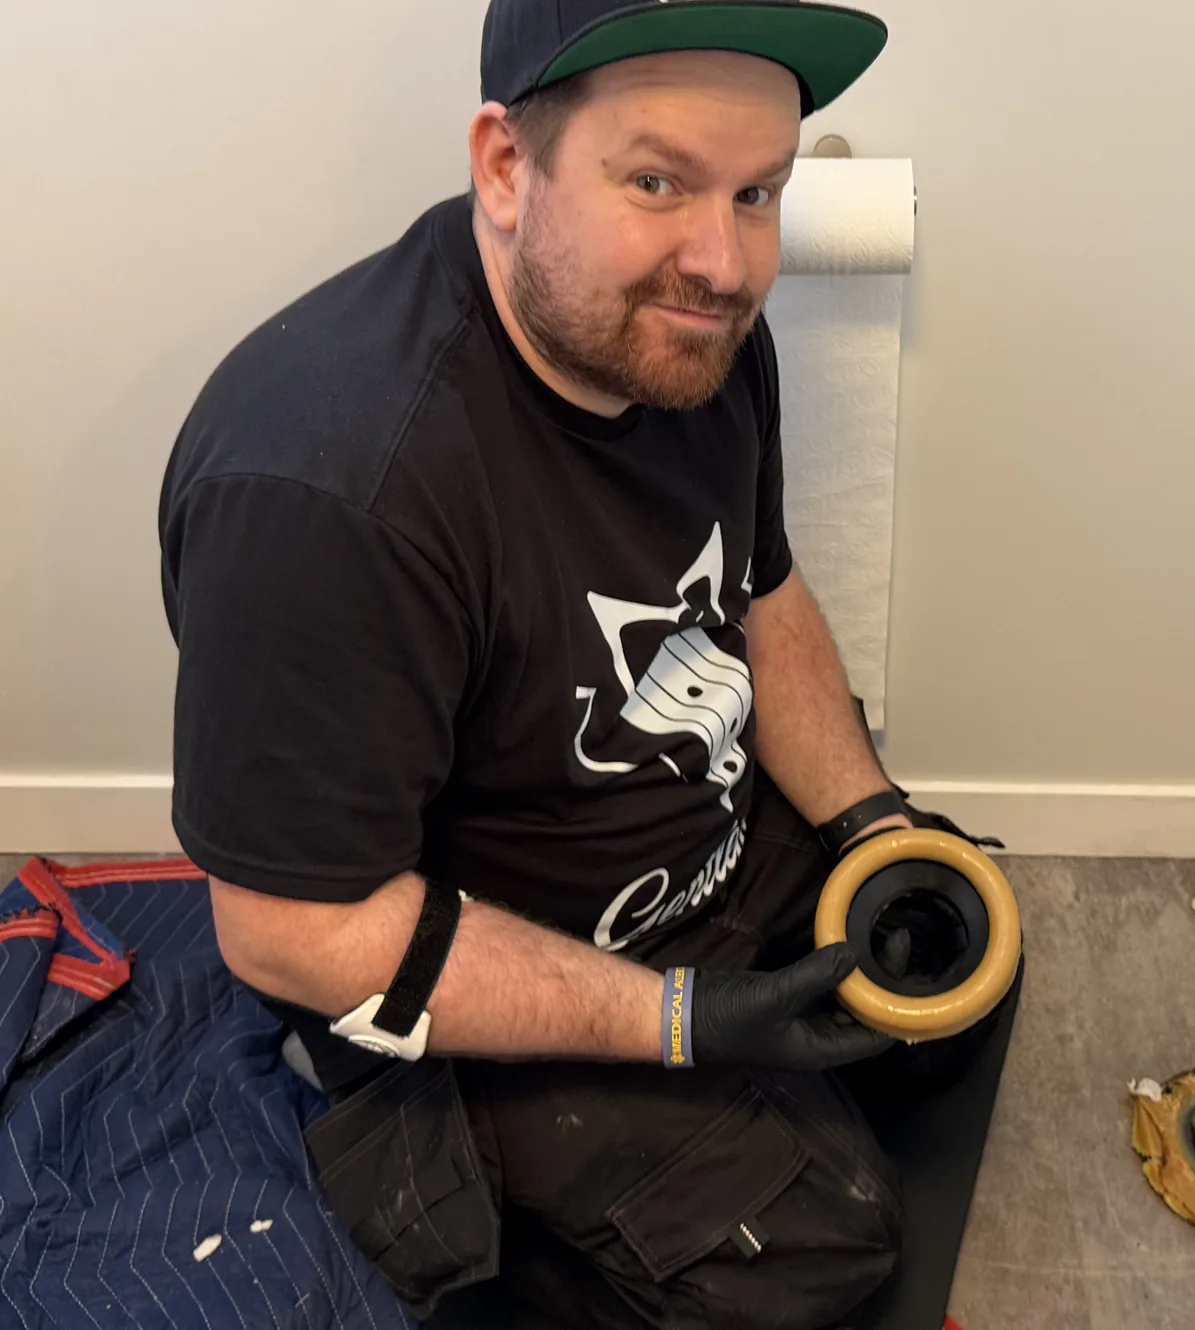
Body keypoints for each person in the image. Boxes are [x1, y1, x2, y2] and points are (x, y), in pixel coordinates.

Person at [158, 1, 1016, 1326]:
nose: (724, 264)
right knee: (829, 1257)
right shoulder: (334, 494)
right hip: (486, 955)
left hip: (689, 843)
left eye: (758, 192)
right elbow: (288, 930)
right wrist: (678, 1022)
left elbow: (761, 591)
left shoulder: (696, 341)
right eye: (657, 181)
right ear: (508, 166)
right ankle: (433, 1168)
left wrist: (872, 827)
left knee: (954, 974)